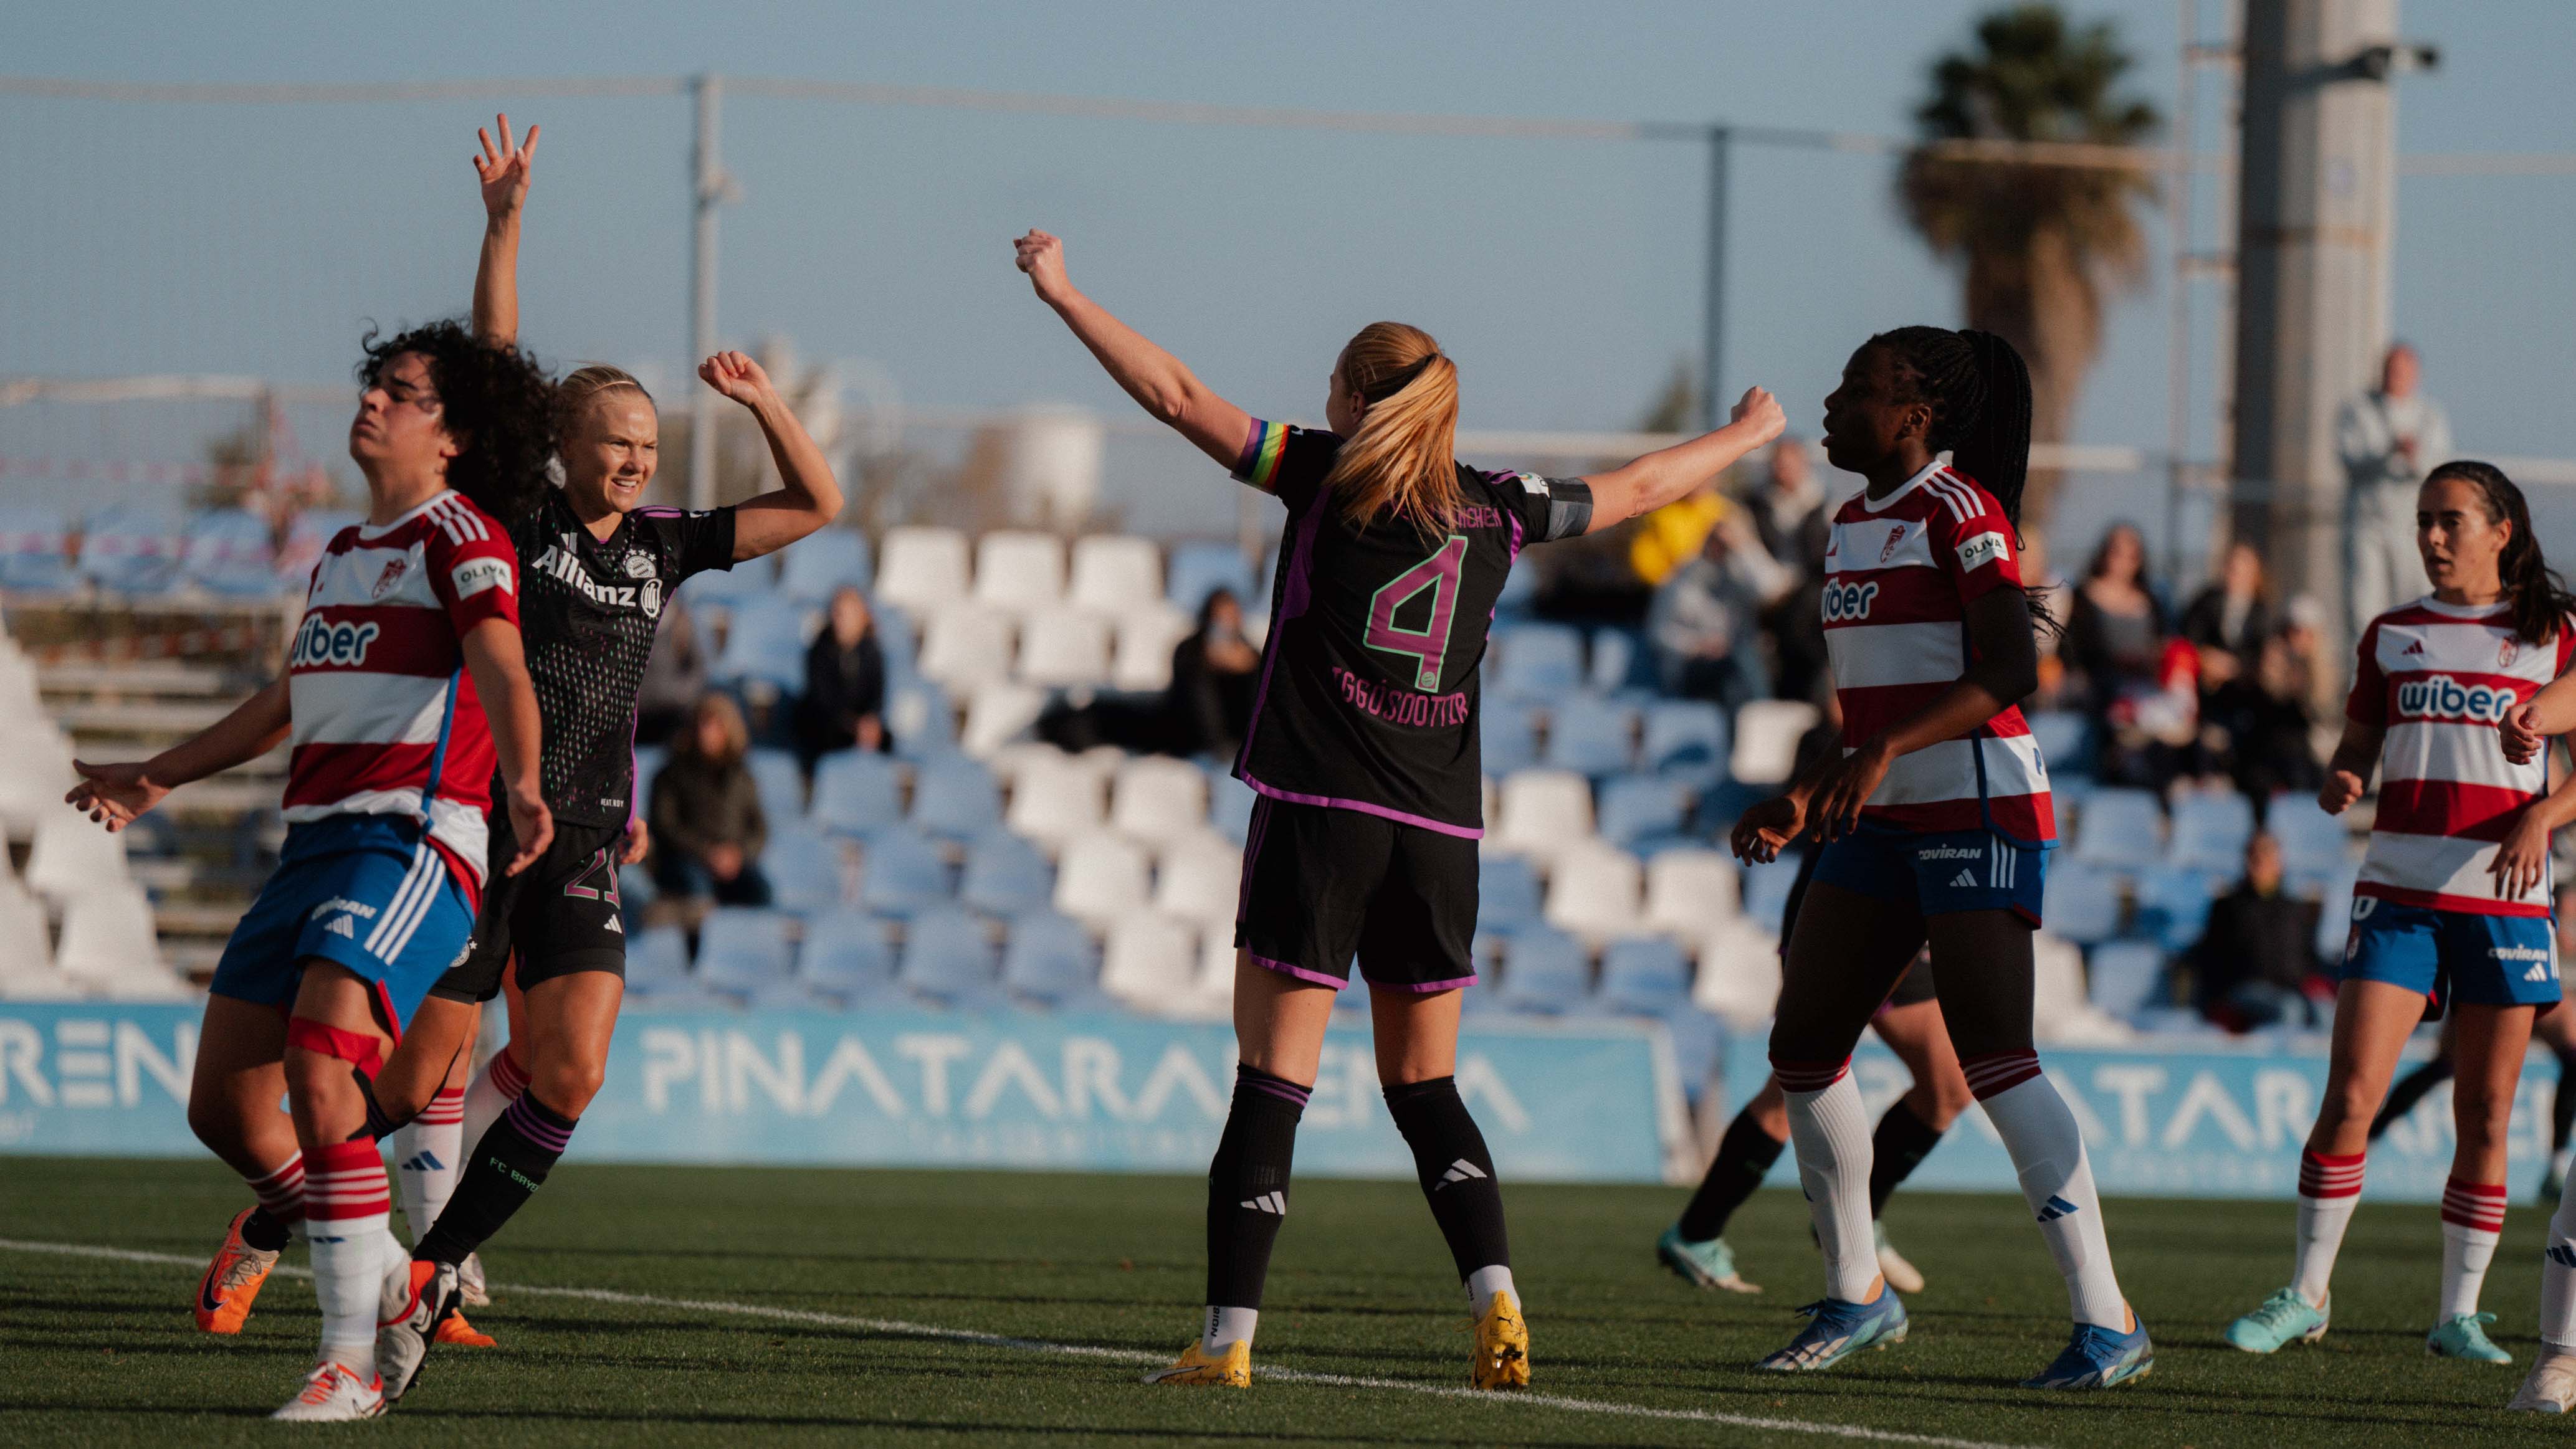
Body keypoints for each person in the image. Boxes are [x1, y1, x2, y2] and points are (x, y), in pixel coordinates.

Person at [1013, 226, 1783, 1390]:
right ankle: (1499, 1301)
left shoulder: (1318, 472)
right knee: (1424, 1085)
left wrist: (1063, 292)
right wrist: (1748, 434)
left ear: (1359, 402)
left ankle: (1226, 1341)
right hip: (1439, 835)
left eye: (1331, 383)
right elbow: (1638, 489)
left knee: (1272, 1079)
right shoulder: (1499, 507)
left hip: (1321, 811)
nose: (1317, 397)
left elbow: (1173, 394)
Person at [348, 116, 842, 1409]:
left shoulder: (665, 545)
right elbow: (501, 359)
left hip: (583, 835)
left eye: (649, 446)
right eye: (617, 439)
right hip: (473, 819)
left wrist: (766, 403)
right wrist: (505, 225)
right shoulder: (522, 510)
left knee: (568, 1071)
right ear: (565, 444)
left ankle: (428, 1272)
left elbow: (818, 506)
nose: (635, 457)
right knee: (408, 1085)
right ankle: (273, 1217)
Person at [64, 319, 557, 1420]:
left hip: (411, 843)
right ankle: (384, 1272)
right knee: (229, 1114)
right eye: (374, 385)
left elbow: (505, 668)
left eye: (403, 392)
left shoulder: (462, 536)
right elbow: (288, 700)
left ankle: (349, 1363)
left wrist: (521, 783)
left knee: (323, 1059)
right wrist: (161, 772)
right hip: (314, 846)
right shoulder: (343, 551)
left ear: (454, 437)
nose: (374, 401)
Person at [1730, 325, 2152, 1389]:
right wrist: (1802, 790)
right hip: (1881, 813)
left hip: (1978, 804)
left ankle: (2107, 1322)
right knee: (1802, 1047)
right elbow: (1865, 705)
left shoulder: (1959, 511)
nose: (1829, 404)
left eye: (1854, 388)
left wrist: (1878, 751)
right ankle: (1855, 1294)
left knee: (1995, 1056)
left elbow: (2009, 664)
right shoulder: (1844, 525)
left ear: (1913, 413)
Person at [2221, 460, 2576, 1379]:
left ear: (2502, 530)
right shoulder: (2392, 634)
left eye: (2449, 520)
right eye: (2423, 520)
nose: (2430, 536)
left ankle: (2455, 1311)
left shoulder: (2549, 636)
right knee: (2349, 1095)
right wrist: (2340, 775)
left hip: (2501, 899)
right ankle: (2305, 1291)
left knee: (2486, 1110)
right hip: (2397, 892)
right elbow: (2356, 745)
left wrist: (2542, 811)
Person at [1658, 847, 1968, 1297]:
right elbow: (1839, 785)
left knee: (1949, 1088)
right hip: (1851, 893)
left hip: (1908, 901)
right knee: (1796, 1083)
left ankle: (1855, 1221)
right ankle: (1698, 1234)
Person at [2340, 343, 2454, 638]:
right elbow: (2349, 458)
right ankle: (2363, 679)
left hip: (2412, 526)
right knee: (2364, 606)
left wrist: (2413, 456)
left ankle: (2411, 675)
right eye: (2392, 370)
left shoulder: (2430, 416)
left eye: (2404, 371)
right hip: (2368, 525)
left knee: (2414, 601)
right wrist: (2387, 451)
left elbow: (2440, 465)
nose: (2397, 376)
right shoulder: (2358, 410)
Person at [1646, 509, 1791, 715]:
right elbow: (1659, 632)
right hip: (1691, 665)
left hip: (1736, 661)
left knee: (1745, 659)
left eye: (1726, 542)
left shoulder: (1740, 574)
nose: (1720, 547)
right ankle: (1762, 716)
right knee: (1740, 662)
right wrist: (1698, 646)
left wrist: (1745, 548)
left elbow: (1773, 588)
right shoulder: (1683, 577)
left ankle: (1758, 723)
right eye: (1716, 540)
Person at [2189, 833, 2326, 1030]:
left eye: (2267, 857)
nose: (2260, 864)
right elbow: (2211, 958)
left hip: (2291, 987)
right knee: (2289, 1010)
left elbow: (2309, 956)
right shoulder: (2228, 907)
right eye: (2255, 857)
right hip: (2244, 988)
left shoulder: (2295, 909)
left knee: (2324, 1011)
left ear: (2279, 862)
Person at [651, 692, 776, 908]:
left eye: (715, 725)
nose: (706, 732)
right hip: (686, 860)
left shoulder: (742, 776)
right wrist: (707, 853)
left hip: (735, 863)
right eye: (702, 724)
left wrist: (738, 855)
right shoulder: (671, 773)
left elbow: (759, 828)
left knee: (762, 893)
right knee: (698, 892)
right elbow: (665, 826)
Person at [795, 584, 890, 767]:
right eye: (836, 613)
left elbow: (876, 696)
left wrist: (869, 722)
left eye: (846, 615)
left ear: (862, 618)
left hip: (859, 727)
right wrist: (853, 725)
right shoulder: (820, 650)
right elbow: (823, 701)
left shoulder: (871, 651)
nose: (840, 620)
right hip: (827, 729)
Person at [1165, 586, 1259, 757]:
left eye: (1233, 615)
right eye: (1222, 616)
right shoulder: (1190, 649)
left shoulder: (1249, 650)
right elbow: (1183, 691)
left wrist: (1244, 665)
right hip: (1192, 734)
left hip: (1238, 732)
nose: (1228, 622)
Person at [634, 590, 707, 747]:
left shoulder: (683, 622)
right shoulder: (629, 618)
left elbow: (698, 668)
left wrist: (680, 695)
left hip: (671, 714)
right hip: (635, 711)